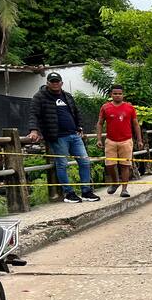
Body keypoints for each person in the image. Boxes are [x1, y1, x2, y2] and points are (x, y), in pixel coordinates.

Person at [27, 72, 99, 203]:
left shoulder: (67, 96)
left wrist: (80, 127)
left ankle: (86, 191)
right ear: (48, 83)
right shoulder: (40, 97)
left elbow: (76, 112)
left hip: (74, 135)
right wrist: (33, 130)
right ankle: (69, 193)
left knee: (85, 162)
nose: (55, 84)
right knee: (62, 164)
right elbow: (33, 114)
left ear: (61, 83)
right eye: (52, 81)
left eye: (57, 81)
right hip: (58, 136)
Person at [95, 85, 144, 198]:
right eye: (115, 93)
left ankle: (124, 189)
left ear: (123, 95)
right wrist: (99, 139)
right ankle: (115, 182)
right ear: (111, 95)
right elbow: (100, 123)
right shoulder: (105, 107)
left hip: (126, 140)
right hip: (110, 140)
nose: (117, 95)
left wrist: (139, 140)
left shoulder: (129, 107)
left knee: (125, 165)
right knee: (110, 165)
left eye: (120, 93)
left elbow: (135, 124)